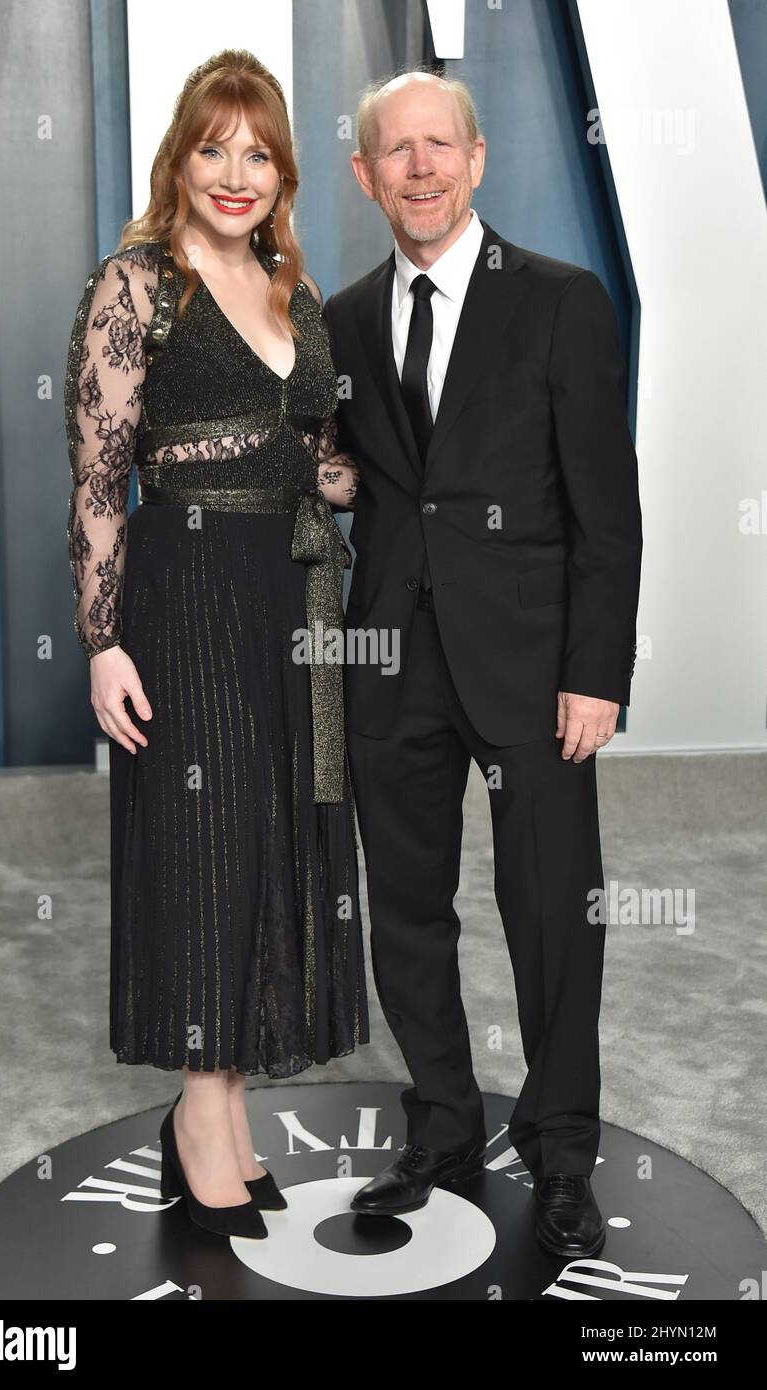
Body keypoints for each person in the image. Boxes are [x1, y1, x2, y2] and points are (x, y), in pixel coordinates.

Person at [323, 69, 642, 1257]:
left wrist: (594, 671)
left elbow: (607, 512)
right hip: (389, 662)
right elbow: (353, 474)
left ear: (477, 157)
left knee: (551, 914)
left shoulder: (561, 302)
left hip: (531, 668)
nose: (418, 167)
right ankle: (442, 1127)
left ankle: (560, 1151)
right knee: (405, 911)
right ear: (364, 176)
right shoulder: (345, 317)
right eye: (393, 152)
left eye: (436, 145)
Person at [64, 49, 369, 1241]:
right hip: (182, 593)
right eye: (212, 148)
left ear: (281, 167)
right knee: (202, 841)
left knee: (268, 840)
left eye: (257, 152)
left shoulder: (292, 288)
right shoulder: (137, 284)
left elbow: (322, 464)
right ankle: (197, 1117)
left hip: (290, 601)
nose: (235, 174)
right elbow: (96, 481)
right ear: (177, 160)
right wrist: (101, 640)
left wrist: (421, 479)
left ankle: (228, 1113)